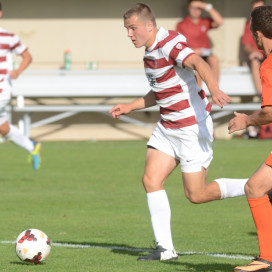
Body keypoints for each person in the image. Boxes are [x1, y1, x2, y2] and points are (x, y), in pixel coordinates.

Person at [110, 3, 248, 261]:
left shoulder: (168, 43)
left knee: (196, 195)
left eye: (133, 28)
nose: (129, 34)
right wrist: (130, 106)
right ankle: (165, 249)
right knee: (150, 180)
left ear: (149, 26)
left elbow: (197, 61)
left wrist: (214, 88)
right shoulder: (149, 53)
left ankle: (255, 186)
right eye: (127, 29)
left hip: (190, 128)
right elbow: (160, 91)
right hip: (167, 126)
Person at [229, 6, 272, 272]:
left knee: (255, 187)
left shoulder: (268, 66)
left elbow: (269, 113)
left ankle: (267, 258)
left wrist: (246, 120)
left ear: (257, 35)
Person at [0, 2, 41, 170]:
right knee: (3, 127)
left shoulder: (9, 37)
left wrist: (17, 71)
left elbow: (27, 56)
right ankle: (32, 146)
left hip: (3, 88)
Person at [176, 0, 223, 86]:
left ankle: (215, 91)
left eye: (198, 8)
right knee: (197, 65)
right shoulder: (181, 24)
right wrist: (193, 50)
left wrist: (205, 6)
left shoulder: (205, 21)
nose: (195, 10)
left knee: (214, 60)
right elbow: (178, 44)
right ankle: (198, 94)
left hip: (205, 55)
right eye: (193, 8)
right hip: (191, 55)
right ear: (188, 8)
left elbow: (220, 21)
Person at [241, 0, 266, 97]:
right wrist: (254, 52)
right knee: (255, 60)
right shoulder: (249, 24)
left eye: (260, 9)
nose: (258, 12)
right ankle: (262, 97)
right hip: (258, 58)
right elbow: (246, 45)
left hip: (269, 57)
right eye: (255, 10)